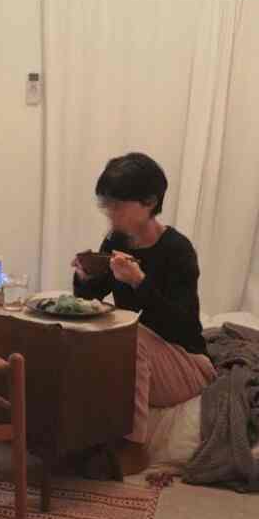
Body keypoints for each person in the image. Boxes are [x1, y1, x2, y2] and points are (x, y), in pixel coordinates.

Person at [72, 152, 215, 473]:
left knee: (127, 333)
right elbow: (90, 298)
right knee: (91, 330)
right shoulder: (116, 240)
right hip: (144, 357)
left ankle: (134, 448)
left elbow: (180, 326)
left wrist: (139, 283)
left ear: (149, 202)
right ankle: (78, 435)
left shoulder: (178, 249)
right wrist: (84, 277)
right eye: (106, 203)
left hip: (189, 365)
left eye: (117, 204)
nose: (110, 212)